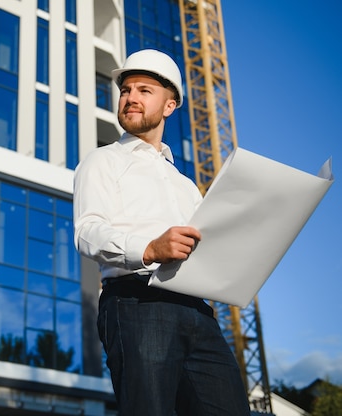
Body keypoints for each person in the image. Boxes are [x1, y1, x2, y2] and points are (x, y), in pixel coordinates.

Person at [73, 49, 251, 415]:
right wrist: (150, 248)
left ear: (169, 106)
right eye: (126, 91)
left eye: (143, 90)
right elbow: (87, 232)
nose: (130, 98)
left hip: (199, 312)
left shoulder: (186, 184)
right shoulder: (102, 160)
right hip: (137, 304)